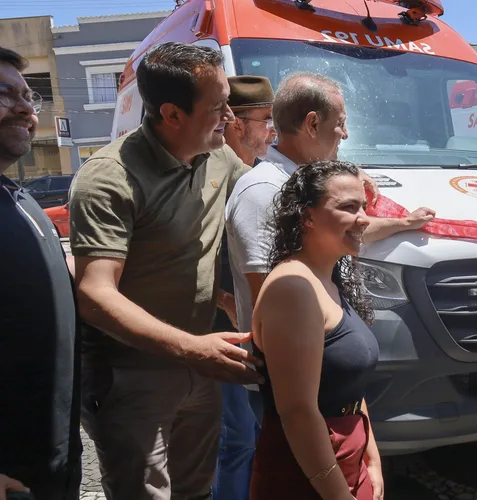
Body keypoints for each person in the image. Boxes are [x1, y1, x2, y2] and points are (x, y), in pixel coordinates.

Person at [69, 42, 261, 499]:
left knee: (196, 490)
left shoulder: (218, 156)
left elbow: (263, 196)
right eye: (218, 107)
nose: (231, 118)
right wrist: (193, 349)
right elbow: (95, 294)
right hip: (132, 375)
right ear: (172, 114)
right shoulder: (109, 178)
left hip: (199, 364)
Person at [225, 71, 435, 425]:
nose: (345, 134)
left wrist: (403, 223)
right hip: (299, 380)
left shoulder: (303, 182)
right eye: (340, 124)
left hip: (328, 367)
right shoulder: (263, 190)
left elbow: (338, 235)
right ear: (311, 124)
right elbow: (268, 295)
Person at [249, 160, 382, 500]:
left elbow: (348, 383)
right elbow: (297, 413)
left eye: (363, 206)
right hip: (306, 474)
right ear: (307, 216)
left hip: (347, 461)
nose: (364, 218)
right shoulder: (293, 288)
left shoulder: (329, 276)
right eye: (348, 207)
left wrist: (372, 460)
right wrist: (339, 494)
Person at [0, 45, 81, 500]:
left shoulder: (20, 197)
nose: (26, 108)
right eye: (5, 93)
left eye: (29, 97)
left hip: (52, 462)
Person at [213, 74, 276, 500]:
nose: (273, 129)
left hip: (247, 329)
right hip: (222, 328)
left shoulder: (253, 174)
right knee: (239, 441)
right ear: (238, 124)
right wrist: (225, 300)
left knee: (251, 438)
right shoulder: (213, 173)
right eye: (266, 119)